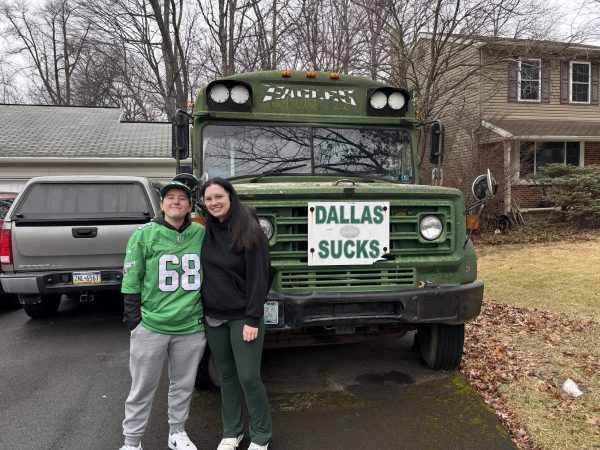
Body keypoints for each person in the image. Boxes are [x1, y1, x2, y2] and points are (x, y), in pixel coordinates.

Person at [119, 179, 206, 450]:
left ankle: (177, 432)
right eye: (171, 198)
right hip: (152, 324)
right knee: (142, 388)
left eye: (182, 197)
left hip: (190, 325)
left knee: (183, 385)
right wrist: (134, 320)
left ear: (191, 205)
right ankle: (132, 442)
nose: (176, 201)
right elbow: (132, 279)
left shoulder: (201, 233)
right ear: (161, 204)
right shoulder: (144, 234)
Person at [200, 177, 272, 450]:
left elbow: (259, 279)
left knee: (249, 378)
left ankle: (262, 435)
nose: (214, 203)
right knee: (226, 376)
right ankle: (232, 432)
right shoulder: (206, 230)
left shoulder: (250, 230)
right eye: (208, 199)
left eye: (219, 196)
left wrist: (253, 318)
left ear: (230, 196)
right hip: (213, 317)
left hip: (243, 318)